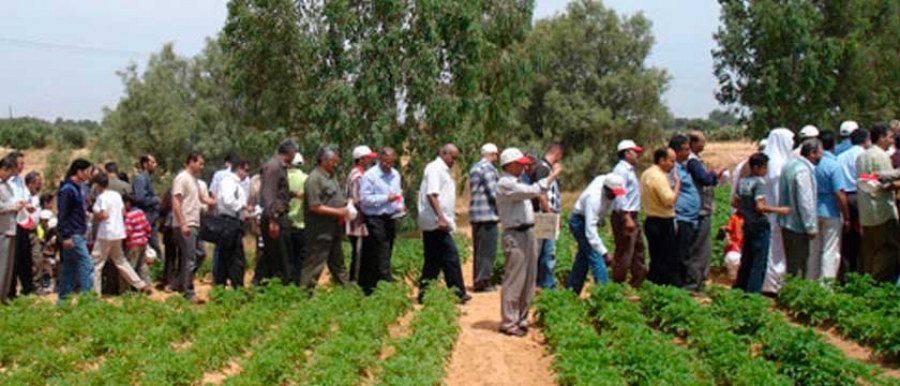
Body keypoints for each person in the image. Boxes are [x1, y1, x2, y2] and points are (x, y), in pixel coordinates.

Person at [496, 148, 562, 337]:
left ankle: (522, 318)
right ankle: (509, 322)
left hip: (527, 231)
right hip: (515, 234)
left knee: (528, 278)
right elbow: (535, 190)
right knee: (515, 279)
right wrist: (553, 175)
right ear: (509, 165)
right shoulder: (505, 184)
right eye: (520, 163)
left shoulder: (517, 181)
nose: (525, 166)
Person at [417, 144, 470, 303]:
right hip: (435, 222)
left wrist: (449, 212)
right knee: (450, 256)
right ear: (444, 153)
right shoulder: (435, 168)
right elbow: (432, 195)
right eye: (452, 157)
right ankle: (458, 293)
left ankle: (424, 293)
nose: (454, 161)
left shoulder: (441, 169)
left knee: (433, 260)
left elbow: (441, 195)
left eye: (456, 158)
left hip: (437, 219)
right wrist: (441, 217)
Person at [734, 153, 791, 293]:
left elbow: (735, 202)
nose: (766, 171)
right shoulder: (759, 182)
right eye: (764, 167)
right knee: (759, 261)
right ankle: (753, 293)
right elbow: (760, 206)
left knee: (747, 258)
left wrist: (746, 211)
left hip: (748, 223)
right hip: (759, 224)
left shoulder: (742, 182)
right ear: (757, 168)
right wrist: (779, 210)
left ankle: (740, 288)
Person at [90, 173, 151, 295]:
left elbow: (103, 215)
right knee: (120, 261)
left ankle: (95, 293)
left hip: (106, 233)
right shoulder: (116, 195)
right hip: (118, 232)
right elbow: (123, 212)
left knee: (96, 264)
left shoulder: (101, 198)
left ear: (97, 185)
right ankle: (140, 283)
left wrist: (95, 216)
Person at [566, 173, 625, 295]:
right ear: (606, 189)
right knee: (596, 257)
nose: (615, 196)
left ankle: (571, 291)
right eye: (613, 193)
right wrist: (604, 253)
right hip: (579, 222)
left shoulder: (607, 181)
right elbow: (590, 231)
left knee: (583, 258)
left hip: (588, 221)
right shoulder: (593, 199)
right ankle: (605, 294)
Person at [856, 123, 900, 283]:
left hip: (866, 212)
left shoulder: (862, 156)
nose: (891, 140)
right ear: (881, 138)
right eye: (889, 136)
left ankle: (867, 284)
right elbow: (884, 185)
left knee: (870, 251)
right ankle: (878, 283)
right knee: (889, 249)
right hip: (882, 211)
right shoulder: (881, 157)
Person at [300, 147, 349, 290]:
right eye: (333, 161)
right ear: (323, 161)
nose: (335, 164)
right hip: (320, 232)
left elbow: (333, 198)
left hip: (333, 230)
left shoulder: (330, 176)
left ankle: (349, 294)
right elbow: (314, 207)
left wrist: (346, 203)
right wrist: (339, 212)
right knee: (314, 265)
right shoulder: (314, 179)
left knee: (338, 264)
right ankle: (304, 295)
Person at [359, 147, 405, 295]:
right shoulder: (370, 176)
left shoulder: (395, 174)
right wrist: (386, 198)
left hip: (390, 217)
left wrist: (400, 207)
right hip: (374, 218)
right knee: (380, 249)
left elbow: (398, 194)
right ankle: (382, 282)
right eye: (385, 162)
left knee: (388, 247)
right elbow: (365, 199)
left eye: (391, 163)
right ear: (379, 159)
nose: (388, 165)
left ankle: (378, 283)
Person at [172, 152, 216, 303]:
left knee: (199, 255)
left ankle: (179, 283)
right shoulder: (182, 178)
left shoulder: (195, 181)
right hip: (186, 224)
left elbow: (202, 199)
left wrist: (216, 201)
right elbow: (176, 202)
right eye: (200, 163)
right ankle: (188, 292)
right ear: (191, 162)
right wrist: (182, 223)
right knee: (190, 258)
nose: (202, 167)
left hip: (194, 223)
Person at [685, 131, 725, 291]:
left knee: (702, 247)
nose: (705, 144)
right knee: (699, 248)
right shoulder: (693, 162)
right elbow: (705, 179)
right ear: (693, 144)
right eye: (702, 141)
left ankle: (698, 280)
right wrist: (715, 173)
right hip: (700, 210)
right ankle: (693, 283)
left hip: (701, 209)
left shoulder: (693, 160)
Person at [255, 139, 298, 286]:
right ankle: (279, 287)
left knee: (275, 254)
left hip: (277, 216)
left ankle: (263, 285)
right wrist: (273, 220)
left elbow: (279, 192)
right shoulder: (274, 167)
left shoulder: (280, 167)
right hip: (275, 218)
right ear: (290, 152)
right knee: (281, 256)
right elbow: (269, 195)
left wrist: (293, 194)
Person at [778, 138, 822, 279]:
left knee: (791, 264)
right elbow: (805, 202)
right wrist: (811, 227)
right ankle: (796, 294)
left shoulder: (789, 166)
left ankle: (789, 292)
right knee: (800, 265)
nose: (821, 156)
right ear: (812, 153)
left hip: (786, 223)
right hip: (798, 225)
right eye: (820, 153)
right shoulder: (803, 171)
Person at [810, 131, 848, 280]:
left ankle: (810, 282)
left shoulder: (811, 164)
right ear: (833, 145)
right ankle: (826, 286)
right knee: (830, 251)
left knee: (814, 250)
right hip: (831, 211)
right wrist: (846, 215)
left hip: (813, 210)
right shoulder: (834, 165)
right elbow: (839, 193)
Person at [56, 159, 94, 305]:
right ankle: (88, 302)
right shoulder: (68, 190)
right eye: (87, 172)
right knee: (87, 266)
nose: (89, 175)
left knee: (69, 269)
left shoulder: (77, 188)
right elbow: (62, 214)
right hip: (73, 235)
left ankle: (63, 303)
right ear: (79, 172)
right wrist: (65, 236)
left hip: (75, 234)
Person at [761, 128, 795, 293]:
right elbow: (777, 193)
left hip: (767, 213)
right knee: (775, 251)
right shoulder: (778, 165)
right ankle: (773, 284)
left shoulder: (769, 161)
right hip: (775, 214)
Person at [642, 147, 682, 287]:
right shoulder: (658, 177)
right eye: (671, 161)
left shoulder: (647, 173)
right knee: (667, 258)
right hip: (662, 222)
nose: (673, 165)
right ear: (661, 160)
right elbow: (669, 200)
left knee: (656, 257)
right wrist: (677, 185)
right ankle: (665, 287)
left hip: (651, 220)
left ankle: (654, 285)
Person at [610, 140, 646, 287]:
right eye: (635, 151)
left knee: (638, 249)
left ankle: (638, 282)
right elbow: (619, 194)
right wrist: (626, 217)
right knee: (625, 251)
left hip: (632, 215)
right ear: (626, 153)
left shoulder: (629, 170)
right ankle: (619, 284)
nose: (637, 154)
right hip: (626, 215)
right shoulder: (620, 171)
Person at [668, 134, 701, 289]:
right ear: (677, 151)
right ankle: (679, 286)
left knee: (685, 252)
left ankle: (682, 283)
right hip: (681, 218)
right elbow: (670, 195)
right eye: (686, 150)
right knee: (680, 255)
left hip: (689, 218)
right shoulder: (672, 170)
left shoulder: (682, 167)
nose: (689, 153)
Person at [836, 128, 869, 277]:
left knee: (847, 238)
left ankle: (846, 274)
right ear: (865, 140)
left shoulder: (841, 157)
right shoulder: (864, 156)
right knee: (862, 237)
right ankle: (859, 272)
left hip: (844, 198)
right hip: (859, 196)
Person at [213, 159, 250, 289]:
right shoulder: (229, 181)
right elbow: (228, 200)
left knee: (229, 256)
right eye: (246, 170)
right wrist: (242, 207)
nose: (247, 173)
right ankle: (235, 287)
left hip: (235, 222)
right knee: (235, 258)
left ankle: (222, 286)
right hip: (229, 222)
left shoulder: (238, 184)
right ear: (238, 169)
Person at [468, 143, 500, 292]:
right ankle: (483, 281)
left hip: (476, 214)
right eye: (496, 154)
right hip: (487, 214)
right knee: (487, 251)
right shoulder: (487, 169)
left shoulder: (475, 167)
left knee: (479, 250)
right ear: (492, 154)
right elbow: (494, 192)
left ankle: (478, 279)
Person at [531, 143, 564, 290]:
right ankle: (547, 285)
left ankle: (542, 283)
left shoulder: (543, 167)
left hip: (546, 214)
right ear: (557, 154)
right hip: (545, 216)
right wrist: (551, 214)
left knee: (544, 252)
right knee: (547, 253)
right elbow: (541, 194)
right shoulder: (543, 168)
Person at [346, 145, 378, 282]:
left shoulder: (361, 174)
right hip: (358, 223)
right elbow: (359, 200)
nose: (370, 161)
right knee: (359, 254)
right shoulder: (358, 177)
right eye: (368, 158)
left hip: (362, 222)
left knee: (365, 254)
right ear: (360, 160)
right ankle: (355, 282)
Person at [0, 155, 23, 304]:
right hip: (2, 229)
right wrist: (12, 208)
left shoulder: (7, 185)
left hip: (10, 228)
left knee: (8, 267)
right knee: (1, 266)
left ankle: (4, 296)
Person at [132, 155, 161, 258]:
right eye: (152, 162)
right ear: (145, 164)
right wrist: (155, 200)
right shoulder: (140, 179)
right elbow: (140, 198)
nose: (155, 165)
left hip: (151, 217)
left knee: (155, 245)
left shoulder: (147, 178)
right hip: (145, 217)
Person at [286, 153, 307, 286]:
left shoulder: (282, 177)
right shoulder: (306, 178)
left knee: (287, 259)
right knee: (301, 259)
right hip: (301, 224)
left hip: (285, 223)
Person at [123, 195, 152, 285]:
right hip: (143, 242)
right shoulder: (140, 212)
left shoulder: (129, 216)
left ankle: (127, 288)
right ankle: (147, 285)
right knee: (142, 265)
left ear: (127, 203)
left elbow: (127, 232)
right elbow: (147, 227)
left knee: (130, 266)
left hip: (133, 244)